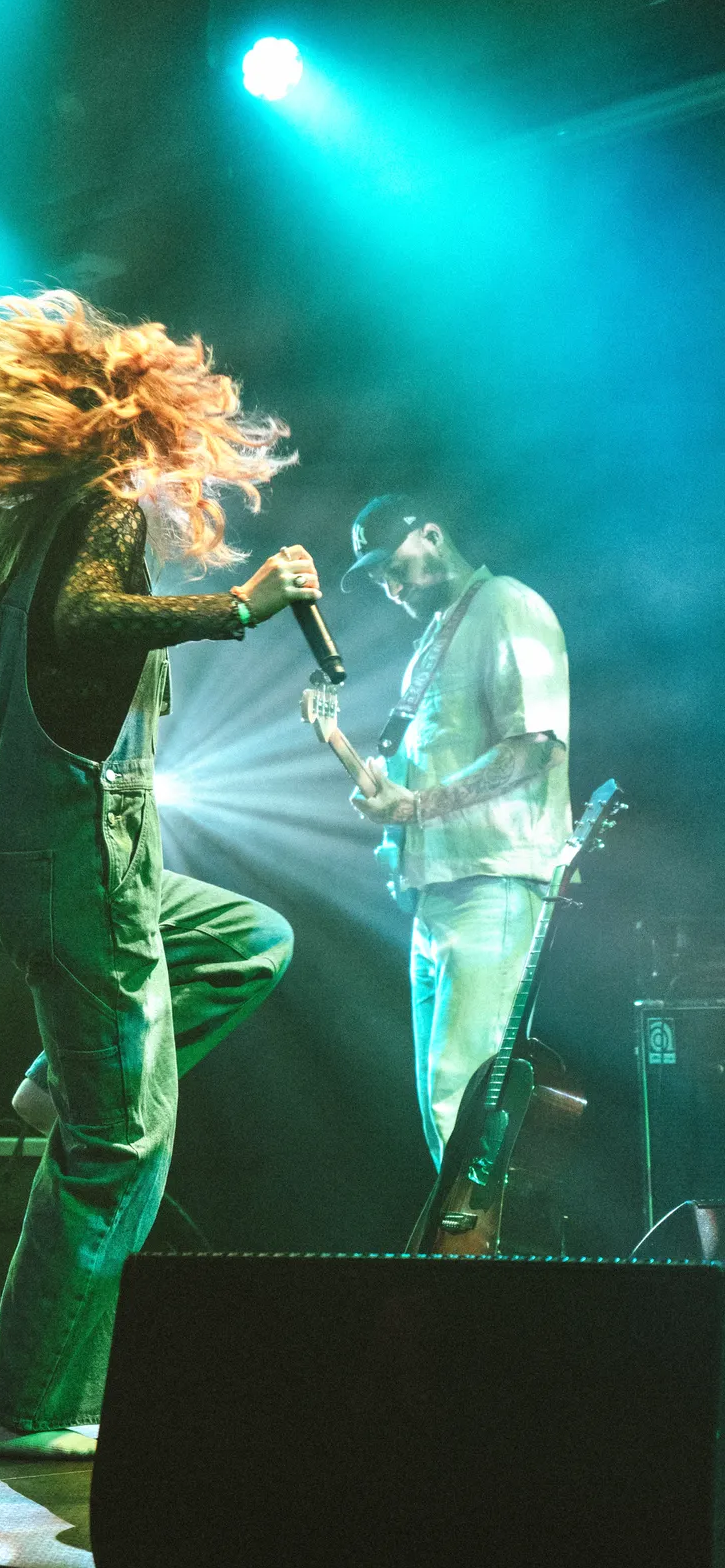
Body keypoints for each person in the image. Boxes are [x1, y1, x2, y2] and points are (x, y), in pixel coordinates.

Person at [0, 289, 315, 1457]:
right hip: (79, 859)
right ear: (135, 425)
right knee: (118, 1146)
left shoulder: (8, 528)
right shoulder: (100, 507)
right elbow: (90, 619)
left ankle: (60, 1083)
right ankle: (22, 1409)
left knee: (249, 939)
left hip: (14, 860)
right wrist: (241, 607)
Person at [342, 494, 571, 1169]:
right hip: (437, 894)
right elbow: (432, 770)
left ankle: (478, 1238)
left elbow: (534, 745)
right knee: (444, 1102)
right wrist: (392, 806)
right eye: (378, 577)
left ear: (434, 536)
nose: (391, 586)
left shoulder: (505, 603)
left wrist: (416, 806)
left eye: (394, 566)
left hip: (491, 882)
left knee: (462, 1095)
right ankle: (467, 1234)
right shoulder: (432, 641)